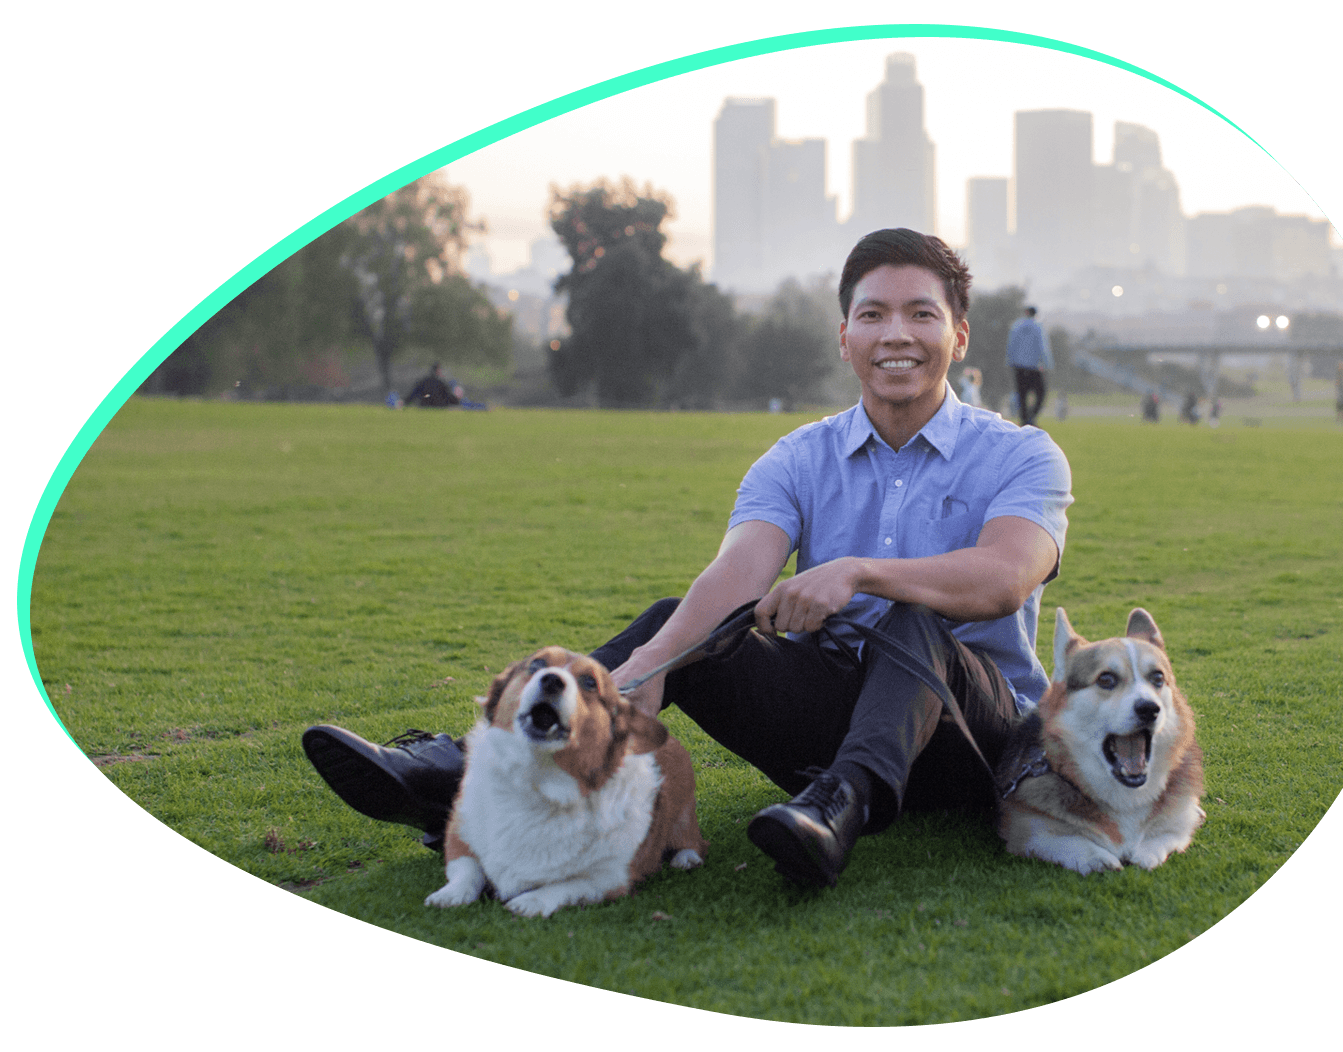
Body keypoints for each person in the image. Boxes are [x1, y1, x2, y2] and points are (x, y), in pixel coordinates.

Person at [302, 229, 1073, 890]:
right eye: (872, 315)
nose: (895, 334)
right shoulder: (799, 457)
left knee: (913, 620)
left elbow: (1004, 577)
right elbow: (736, 579)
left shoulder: (1022, 455)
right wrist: (649, 669)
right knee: (680, 625)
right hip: (831, 719)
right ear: (845, 337)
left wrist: (858, 572)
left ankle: (841, 807)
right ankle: (466, 768)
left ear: (960, 336)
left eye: (920, 315)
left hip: (970, 740)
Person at [1005, 306, 1053, 427]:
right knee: (1041, 393)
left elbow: (1011, 345)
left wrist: (1010, 361)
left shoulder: (1016, 326)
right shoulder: (1038, 326)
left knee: (1022, 395)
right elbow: (1043, 346)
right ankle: (1031, 417)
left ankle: (1024, 421)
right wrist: (1047, 363)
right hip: (1034, 367)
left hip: (1019, 367)